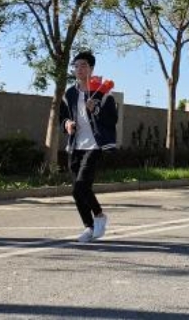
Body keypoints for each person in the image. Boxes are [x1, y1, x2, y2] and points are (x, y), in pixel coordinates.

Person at [60, 51, 118, 243]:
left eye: (83, 65)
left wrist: (96, 109)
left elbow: (112, 119)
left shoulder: (103, 92)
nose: (79, 69)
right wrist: (67, 124)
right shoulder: (69, 93)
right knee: (78, 190)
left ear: (91, 69)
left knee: (81, 186)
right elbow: (63, 116)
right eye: (76, 66)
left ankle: (99, 215)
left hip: (95, 145)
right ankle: (90, 227)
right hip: (75, 145)